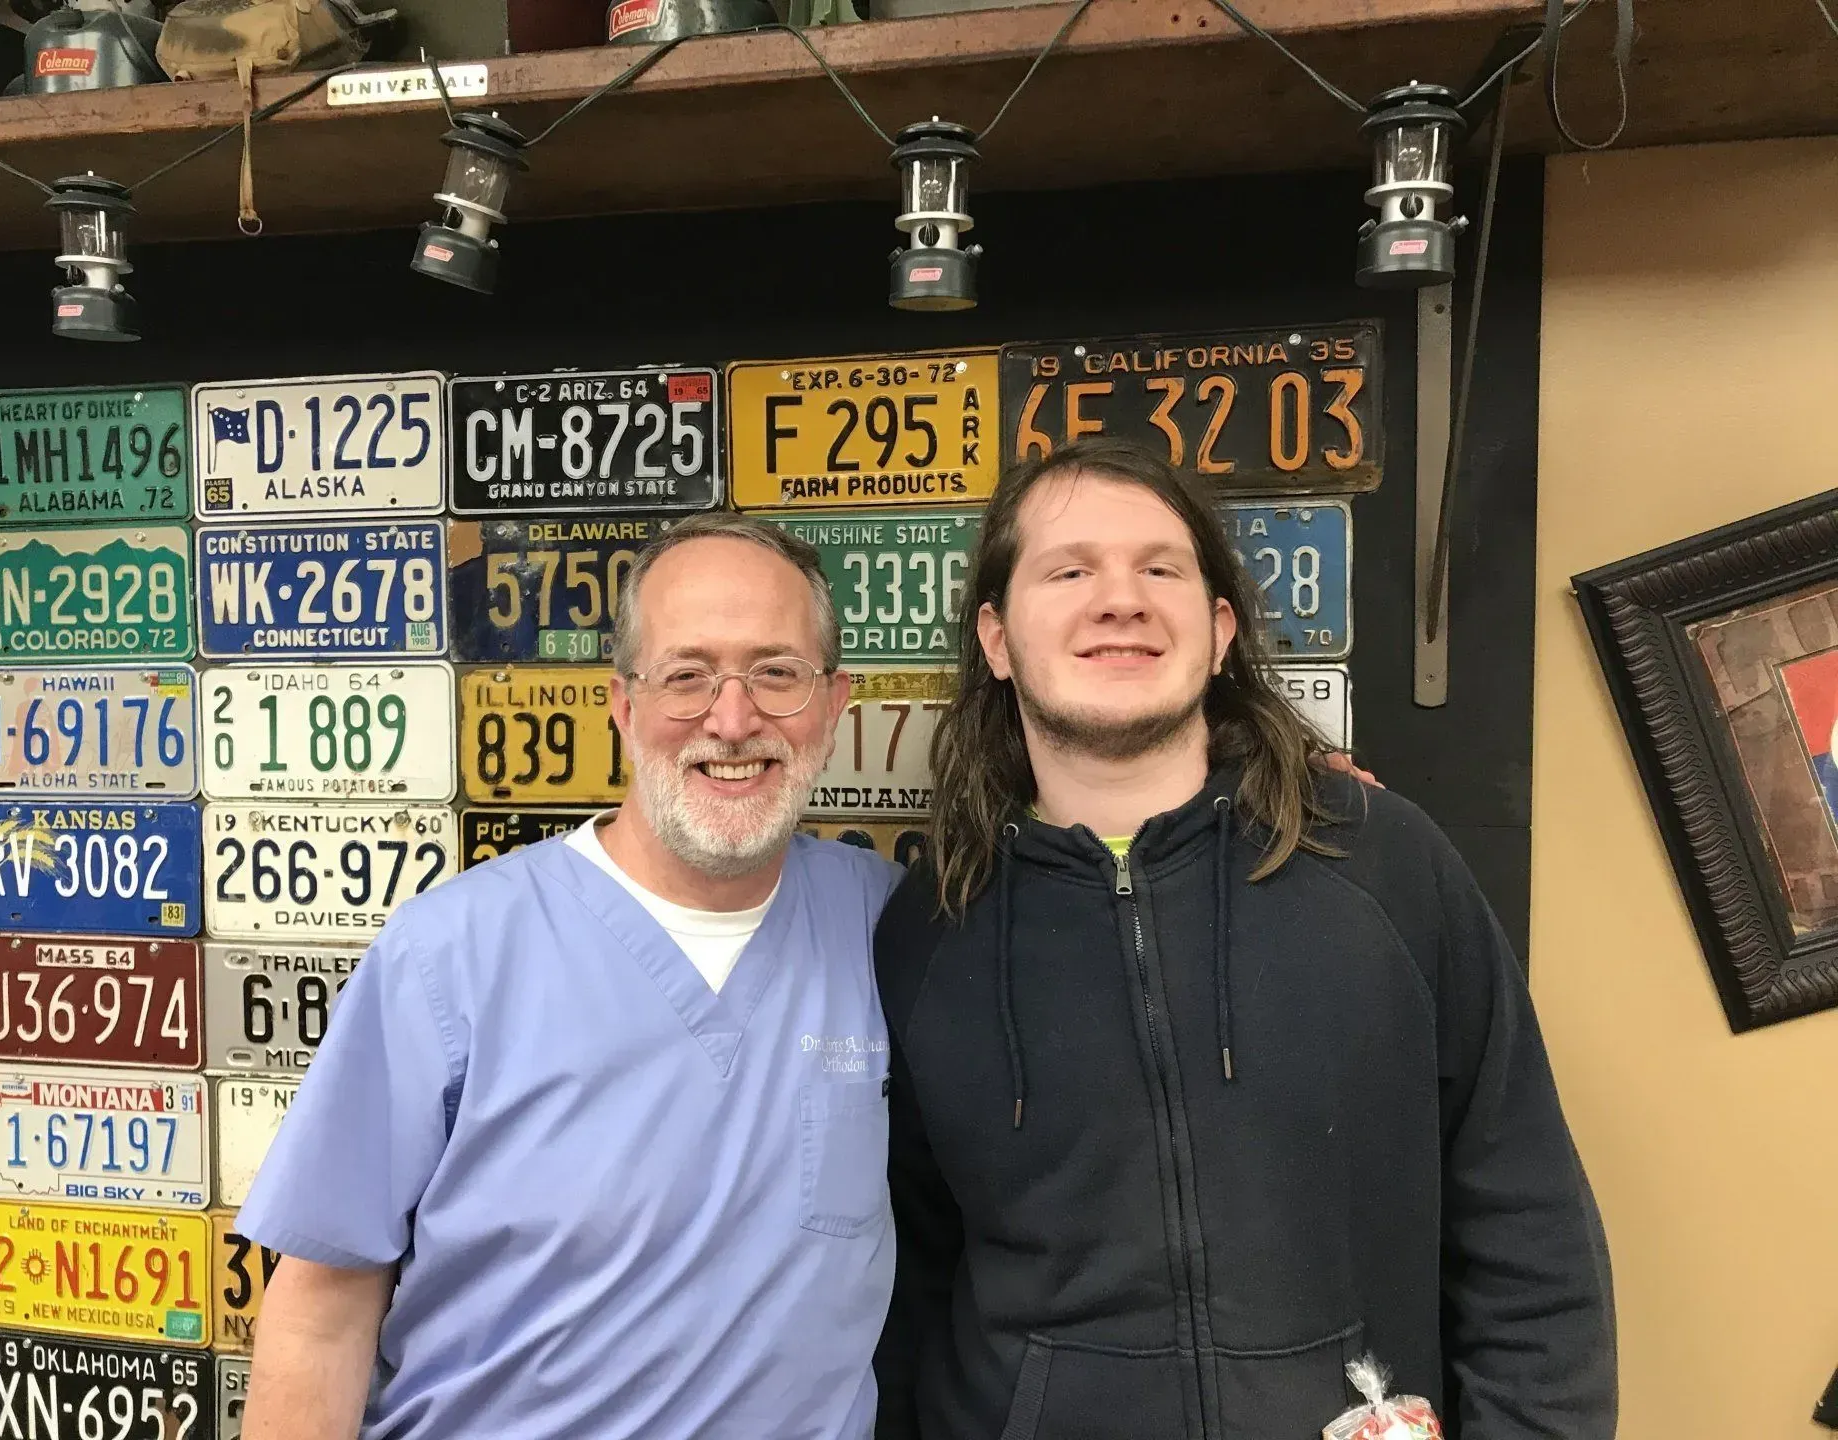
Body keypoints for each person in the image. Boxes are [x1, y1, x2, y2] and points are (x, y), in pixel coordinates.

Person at [872, 439, 1616, 1440]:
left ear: (1219, 630)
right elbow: (910, 1283)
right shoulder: (931, 930)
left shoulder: (1385, 864)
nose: (1121, 599)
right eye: (1070, 569)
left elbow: (1525, 1220)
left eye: (1161, 568)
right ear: (997, 639)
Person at [236, 512, 899, 1440]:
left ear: (834, 706)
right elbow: (319, 1313)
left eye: (777, 673)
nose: (734, 717)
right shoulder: (452, 955)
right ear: (623, 705)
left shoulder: (889, 926)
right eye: (687, 674)